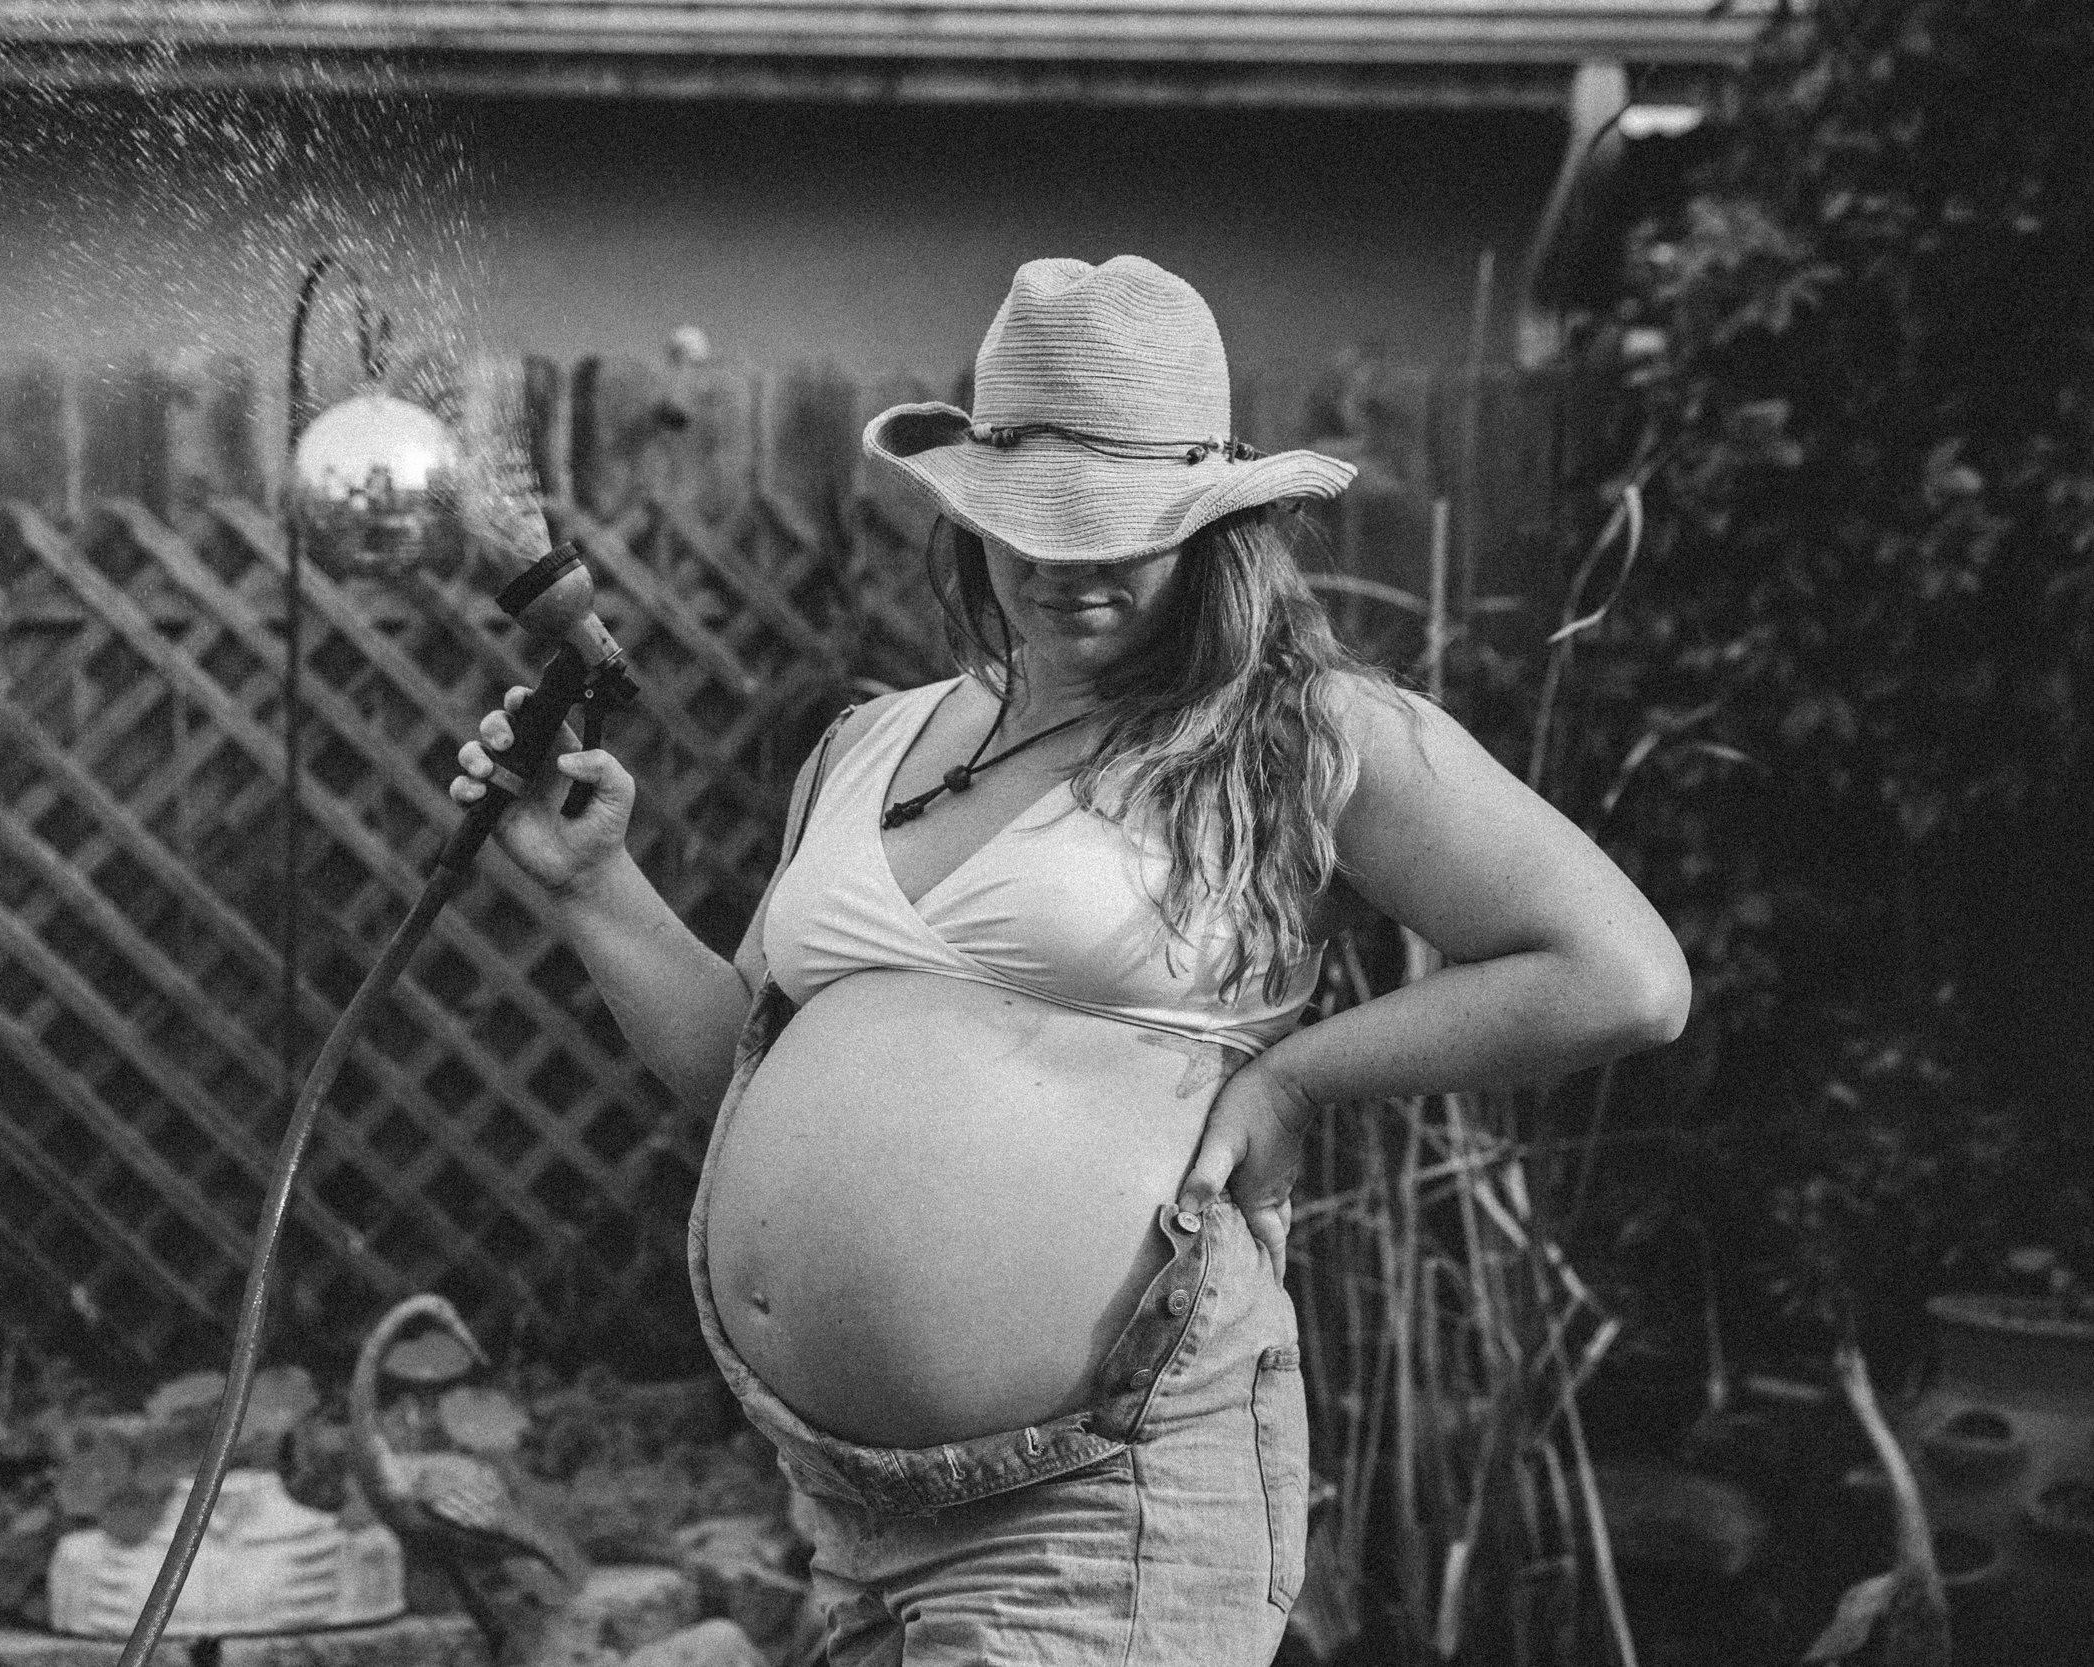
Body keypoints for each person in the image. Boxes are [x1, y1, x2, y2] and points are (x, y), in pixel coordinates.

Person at [450, 255, 1689, 1665]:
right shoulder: (873, 744)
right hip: (846, 1513)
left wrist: (1298, 1082)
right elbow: (740, 1065)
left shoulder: (1298, 733)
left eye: (1115, 529)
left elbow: (1622, 975)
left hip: (1105, 1506)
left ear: (1213, 526)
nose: (1061, 567)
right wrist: (595, 888)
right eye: (1023, 524)